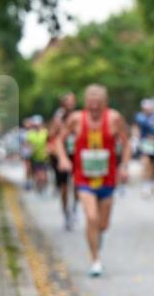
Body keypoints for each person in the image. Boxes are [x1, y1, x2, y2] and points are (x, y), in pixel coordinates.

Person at [56, 85, 132, 277]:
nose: (95, 107)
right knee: (91, 217)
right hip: (84, 178)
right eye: (91, 103)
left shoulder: (114, 118)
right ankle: (95, 260)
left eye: (99, 103)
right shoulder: (76, 119)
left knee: (103, 225)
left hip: (107, 179)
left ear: (105, 102)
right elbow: (59, 140)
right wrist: (63, 159)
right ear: (86, 102)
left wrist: (124, 166)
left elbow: (126, 143)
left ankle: (97, 237)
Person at [49, 92, 79, 230]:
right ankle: (66, 213)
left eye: (72, 101)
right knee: (64, 187)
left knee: (77, 184)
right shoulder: (58, 117)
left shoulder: (78, 117)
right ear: (63, 104)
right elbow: (51, 134)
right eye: (67, 101)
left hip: (75, 154)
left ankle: (75, 208)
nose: (70, 104)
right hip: (61, 156)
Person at [25, 116, 50, 193]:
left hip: (44, 158)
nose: (37, 126)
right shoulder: (30, 134)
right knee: (37, 176)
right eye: (35, 124)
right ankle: (38, 187)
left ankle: (42, 186)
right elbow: (27, 145)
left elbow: (50, 142)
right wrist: (30, 149)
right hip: (34, 158)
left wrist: (48, 149)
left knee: (43, 176)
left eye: (38, 124)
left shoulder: (46, 132)